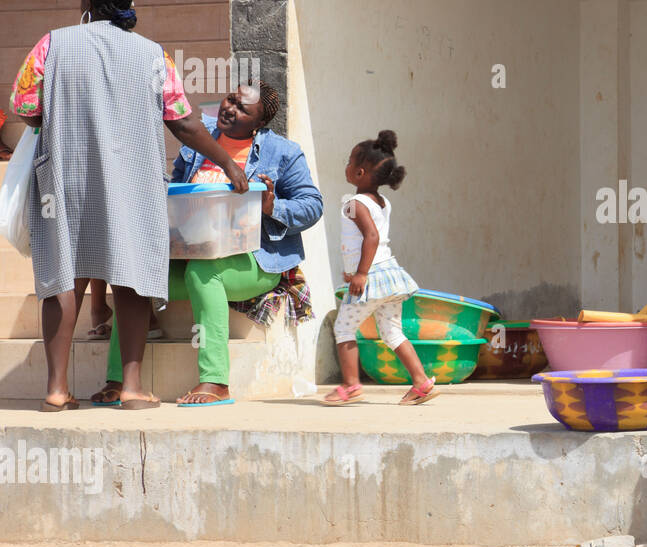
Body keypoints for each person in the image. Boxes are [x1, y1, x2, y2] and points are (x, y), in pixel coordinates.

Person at [8, 0, 245, 411]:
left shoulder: (51, 46)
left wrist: (58, 115)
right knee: (133, 275)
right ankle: (132, 389)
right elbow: (184, 123)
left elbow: (23, 105)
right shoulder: (154, 55)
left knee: (65, 275)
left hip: (64, 179)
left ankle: (57, 390)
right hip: (131, 183)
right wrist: (230, 166)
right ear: (128, 1)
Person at [93, 80, 322, 407]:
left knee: (203, 270)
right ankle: (120, 379)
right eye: (231, 99)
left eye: (243, 109)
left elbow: (313, 205)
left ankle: (216, 381)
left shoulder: (283, 152)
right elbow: (177, 195)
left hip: (256, 261)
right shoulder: (198, 143)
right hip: (192, 252)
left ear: (259, 123)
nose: (230, 108)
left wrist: (271, 206)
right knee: (137, 275)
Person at [324, 131, 437, 406]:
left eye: (350, 161)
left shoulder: (353, 203)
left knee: (344, 328)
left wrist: (360, 273)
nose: (346, 165)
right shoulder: (382, 203)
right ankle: (421, 382)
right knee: (392, 332)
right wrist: (355, 270)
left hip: (372, 278)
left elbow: (370, 237)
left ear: (360, 172)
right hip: (388, 274)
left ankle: (351, 385)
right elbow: (369, 241)